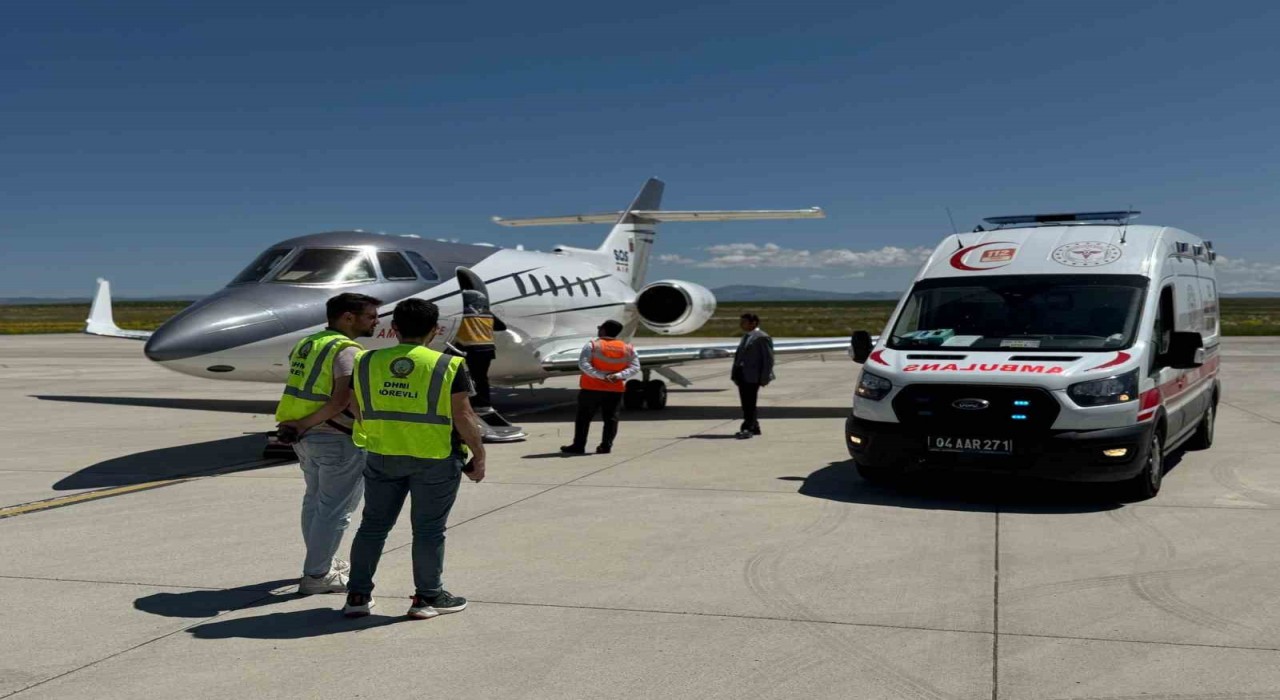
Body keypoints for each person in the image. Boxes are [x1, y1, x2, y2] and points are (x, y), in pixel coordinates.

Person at [342, 298, 487, 620]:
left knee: (373, 527)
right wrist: (479, 454)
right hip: (434, 457)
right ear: (435, 330)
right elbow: (462, 415)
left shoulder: (365, 361)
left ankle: (357, 595)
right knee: (428, 531)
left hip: (382, 453)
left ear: (393, 328)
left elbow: (354, 404)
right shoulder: (448, 364)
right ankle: (427, 597)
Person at [275, 293, 381, 595]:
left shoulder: (309, 343)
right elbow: (342, 399)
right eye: (371, 316)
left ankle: (319, 562)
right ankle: (317, 574)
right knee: (335, 510)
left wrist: (299, 426)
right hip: (334, 437)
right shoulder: (347, 351)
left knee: (315, 501)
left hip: (303, 435)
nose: (376, 322)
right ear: (348, 317)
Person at [561, 320, 640, 455]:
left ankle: (579, 446)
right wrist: (618, 375)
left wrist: (601, 376)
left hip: (591, 388)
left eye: (599, 327)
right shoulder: (627, 348)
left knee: (583, 419)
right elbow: (635, 367)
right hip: (614, 389)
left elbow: (583, 364)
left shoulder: (593, 345)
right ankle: (606, 446)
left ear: (603, 330)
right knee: (611, 420)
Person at [454, 289, 507, 410]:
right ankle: (484, 404)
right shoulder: (487, 313)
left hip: (470, 349)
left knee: (468, 378)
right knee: (481, 378)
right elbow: (501, 326)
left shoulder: (462, 313)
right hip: (487, 350)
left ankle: (470, 403)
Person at [731, 312, 774, 440]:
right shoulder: (747, 337)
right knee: (746, 403)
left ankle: (747, 428)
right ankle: (754, 427)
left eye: (743, 322)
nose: (741, 325)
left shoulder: (761, 337)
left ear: (753, 323)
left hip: (753, 376)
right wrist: (735, 373)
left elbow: (768, 359)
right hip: (743, 375)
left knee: (749, 403)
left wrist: (764, 377)